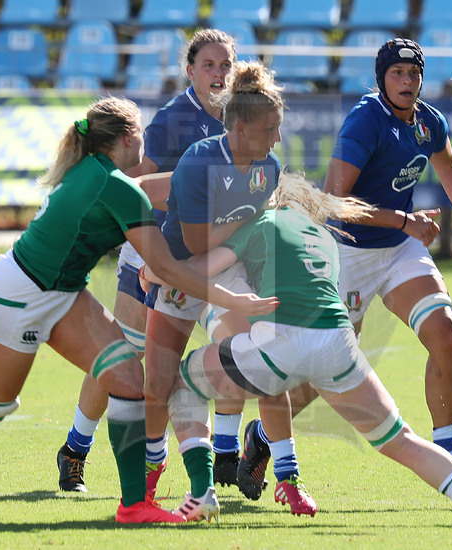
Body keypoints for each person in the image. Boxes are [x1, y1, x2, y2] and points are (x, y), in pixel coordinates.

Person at [0, 96, 277, 524]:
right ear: (126, 139)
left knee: (125, 378)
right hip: (18, 292)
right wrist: (232, 297)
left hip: (64, 291)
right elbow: (163, 267)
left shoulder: (102, 174)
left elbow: (165, 196)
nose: (147, 137)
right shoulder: (116, 186)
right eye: (140, 130)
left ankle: (133, 505)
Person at [144, 171, 452, 527]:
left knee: (176, 382)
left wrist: (152, 272)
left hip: (281, 346)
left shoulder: (258, 223)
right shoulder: (322, 235)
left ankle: (201, 492)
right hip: (338, 345)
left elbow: (197, 271)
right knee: (403, 440)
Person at [241, 37, 452, 490]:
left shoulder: (427, 121)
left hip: (399, 247)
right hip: (346, 252)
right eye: (398, 73)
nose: (408, 81)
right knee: (326, 371)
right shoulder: (366, 121)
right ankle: (263, 436)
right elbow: (332, 202)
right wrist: (403, 220)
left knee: (446, 334)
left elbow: (447, 166)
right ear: (382, 79)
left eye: (414, 73)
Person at [54, 30, 298, 498]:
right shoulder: (174, 121)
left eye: (226, 64)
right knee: (124, 355)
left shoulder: (248, 123)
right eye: (209, 65)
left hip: (214, 258)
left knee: (240, 348)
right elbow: (136, 184)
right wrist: (194, 181)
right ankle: (75, 448)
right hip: (157, 249)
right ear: (190, 71)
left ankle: (227, 452)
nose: (219, 73)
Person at [143, 60, 317, 519]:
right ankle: (152, 469)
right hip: (182, 272)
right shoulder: (201, 161)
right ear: (240, 128)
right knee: (157, 382)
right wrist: (160, 268)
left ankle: (288, 479)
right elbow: (199, 243)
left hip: (224, 271)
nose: (277, 139)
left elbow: (244, 241)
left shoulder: (269, 166)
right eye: (270, 129)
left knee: (265, 361)